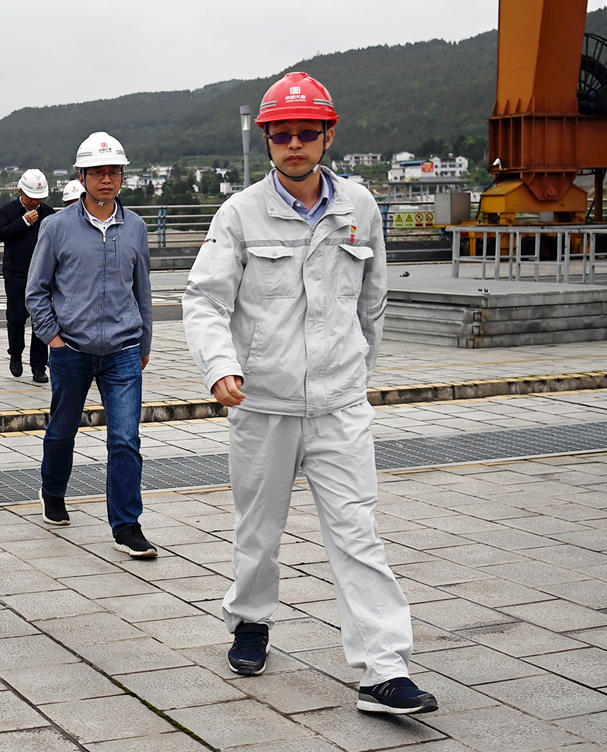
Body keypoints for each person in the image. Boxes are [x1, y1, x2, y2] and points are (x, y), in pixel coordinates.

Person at [182, 73, 438, 715]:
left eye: (305, 133)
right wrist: (220, 367)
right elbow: (205, 300)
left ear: (328, 136)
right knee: (259, 530)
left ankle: (383, 668)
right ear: (267, 139)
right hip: (262, 406)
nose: (293, 144)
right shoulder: (239, 214)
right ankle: (250, 620)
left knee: (358, 532)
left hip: (338, 408)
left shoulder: (360, 208)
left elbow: (373, 302)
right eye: (281, 135)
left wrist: (354, 376)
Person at [26, 132, 154, 557]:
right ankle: (53, 491)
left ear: (122, 177)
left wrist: (144, 341)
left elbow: (142, 289)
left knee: (125, 438)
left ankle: (127, 525)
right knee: (62, 430)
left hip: (123, 350)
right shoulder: (56, 227)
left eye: (114, 172)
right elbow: (36, 290)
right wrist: (54, 338)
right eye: (97, 172)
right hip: (72, 350)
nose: (106, 180)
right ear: (81, 177)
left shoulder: (135, 227)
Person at [0, 169, 55, 383]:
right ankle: (16, 353)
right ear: (21, 191)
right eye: (31, 198)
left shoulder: (49, 213)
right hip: (16, 273)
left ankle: (39, 365)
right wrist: (24, 221)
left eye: (39, 198)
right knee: (17, 318)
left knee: (41, 318)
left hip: (42, 273)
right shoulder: (8, 211)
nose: (35, 203)